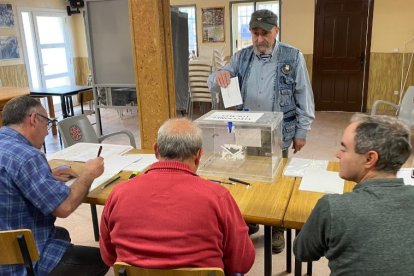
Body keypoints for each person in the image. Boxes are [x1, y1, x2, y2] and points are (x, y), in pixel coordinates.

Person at [208, 9, 315, 253]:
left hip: (280, 130)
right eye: (254, 34)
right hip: (247, 129)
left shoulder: (292, 56)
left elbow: (304, 96)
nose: (258, 39)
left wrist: (302, 131)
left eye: (264, 33)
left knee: (277, 179)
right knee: (248, 174)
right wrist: (220, 75)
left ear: (276, 30)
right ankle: (252, 219)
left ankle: (276, 227)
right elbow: (214, 78)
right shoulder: (242, 56)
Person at [99, 118, 255, 275]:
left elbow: (108, 257)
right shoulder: (218, 197)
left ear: (156, 150)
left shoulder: (119, 194)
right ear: (199, 155)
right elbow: (241, 263)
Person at [0, 96, 109, 275]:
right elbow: (64, 207)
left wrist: (46, 176)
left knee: (61, 234)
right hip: (24, 261)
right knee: (102, 259)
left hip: (4, 250)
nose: (47, 132)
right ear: (34, 119)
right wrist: (89, 174)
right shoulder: (29, 157)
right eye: (47, 123)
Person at [293, 114, 414, 275]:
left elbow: (303, 252)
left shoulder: (333, 207)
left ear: (370, 158)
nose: (338, 154)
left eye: (344, 149)